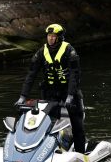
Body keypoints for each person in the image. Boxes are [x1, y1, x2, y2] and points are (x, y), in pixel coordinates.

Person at [15, 23, 88, 153]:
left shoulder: (69, 50)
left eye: (54, 36)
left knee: (77, 125)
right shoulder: (41, 52)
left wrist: (70, 96)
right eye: (49, 36)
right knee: (47, 124)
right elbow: (31, 74)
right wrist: (23, 96)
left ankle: (80, 154)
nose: (51, 39)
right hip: (50, 94)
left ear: (59, 38)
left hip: (69, 93)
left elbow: (74, 75)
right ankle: (46, 152)